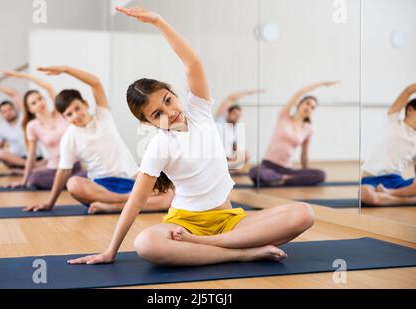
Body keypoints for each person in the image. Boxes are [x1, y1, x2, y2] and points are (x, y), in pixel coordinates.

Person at [68, 7, 314, 266]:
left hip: (230, 220)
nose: (170, 112)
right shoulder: (159, 145)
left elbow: (192, 62)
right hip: (184, 224)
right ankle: (242, 252)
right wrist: (110, 251)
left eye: (168, 100)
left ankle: (208, 246)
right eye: (157, 113)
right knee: (146, 244)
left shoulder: (199, 111)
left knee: (303, 214)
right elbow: (136, 202)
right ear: (148, 122)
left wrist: (159, 21)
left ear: (174, 93)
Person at [24, 66, 173, 214]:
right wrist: (50, 203)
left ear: (86, 104)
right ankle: (129, 199)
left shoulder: (103, 116)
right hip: (103, 187)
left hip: (133, 180)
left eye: (77, 108)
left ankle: (116, 206)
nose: (75, 115)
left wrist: (66, 70)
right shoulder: (69, 137)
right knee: (73, 184)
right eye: (69, 114)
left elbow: (95, 83)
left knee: (169, 198)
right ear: (64, 118)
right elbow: (63, 172)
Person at [248, 81, 339, 187]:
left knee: (321, 174)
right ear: (299, 104)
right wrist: (321, 84)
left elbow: (304, 154)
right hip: (268, 165)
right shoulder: (284, 116)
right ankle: (278, 178)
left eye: (312, 107)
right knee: (255, 171)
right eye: (307, 103)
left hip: (286, 169)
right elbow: (299, 93)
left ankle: (280, 179)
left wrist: (306, 174)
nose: (309, 107)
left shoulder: (308, 129)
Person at [4, 71, 84, 189]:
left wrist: (24, 75)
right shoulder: (32, 126)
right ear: (30, 109)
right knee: (34, 178)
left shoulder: (60, 113)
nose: (39, 103)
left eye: (40, 98)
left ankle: (68, 183)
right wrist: (24, 181)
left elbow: (49, 88)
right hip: (54, 170)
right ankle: (68, 184)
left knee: (89, 176)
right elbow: (31, 155)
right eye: (34, 103)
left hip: (74, 167)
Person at [360, 83, 416, 206]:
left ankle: (389, 194)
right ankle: (405, 200)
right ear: (410, 110)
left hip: (396, 182)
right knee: (367, 195)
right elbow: (408, 90)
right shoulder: (392, 121)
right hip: (371, 179)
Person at [0, 82, 45, 174]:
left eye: (10, 109)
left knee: (49, 163)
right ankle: (32, 168)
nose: (8, 113)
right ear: (1, 114)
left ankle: (25, 170)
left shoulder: (24, 117)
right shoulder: (1, 130)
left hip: (35, 158)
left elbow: (14, 94)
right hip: (18, 160)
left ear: (15, 109)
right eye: (4, 111)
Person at [215, 90, 262, 169]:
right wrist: (248, 92)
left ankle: (226, 166)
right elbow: (230, 98)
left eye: (238, 115)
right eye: (234, 114)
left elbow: (235, 147)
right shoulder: (220, 121)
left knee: (246, 154)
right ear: (228, 113)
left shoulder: (235, 130)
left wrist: (238, 154)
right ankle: (224, 167)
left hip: (227, 157)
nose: (236, 117)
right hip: (216, 156)